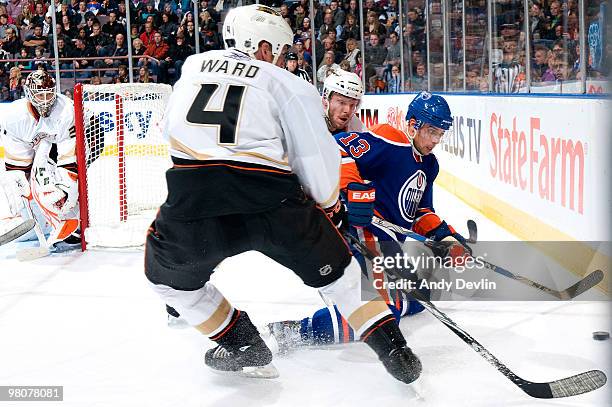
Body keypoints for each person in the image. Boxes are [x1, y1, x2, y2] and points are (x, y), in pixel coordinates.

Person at [145, 4, 421, 384]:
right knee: (341, 277)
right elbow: (317, 159)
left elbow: (168, 132)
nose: (281, 57)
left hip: (195, 198)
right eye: (278, 49)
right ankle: (396, 352)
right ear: (261, 45)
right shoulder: (288, 84)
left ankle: (243, 345)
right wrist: (330, 208)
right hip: (272, 200)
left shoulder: (192, 66)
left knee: (165, 281)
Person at [264, 92, 472, 351]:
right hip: (363, 235)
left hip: (387, 244)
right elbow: (337, 145)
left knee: (420, 296)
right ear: (412, 124)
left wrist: (445, 237)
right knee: (382, 313)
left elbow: (421, 210)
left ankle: (353, 296)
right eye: (430, 131)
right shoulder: (389, 140)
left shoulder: (430, 165)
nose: (434, 140)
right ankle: (290, 331)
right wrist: (351, 189)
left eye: (440, 133)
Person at [0, 70, 80, 250]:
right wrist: (21, 184)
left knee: (64, 184)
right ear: (29, 93)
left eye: (48, 94)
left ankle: (71, 217)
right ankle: (23, 217)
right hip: (43, 146)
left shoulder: (66, 109)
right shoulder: (14, 117)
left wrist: (68, 183)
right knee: (19, 183)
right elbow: (18, 163)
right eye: (40, 94)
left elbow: (68, 152)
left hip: (78, 142)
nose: (45, 100)